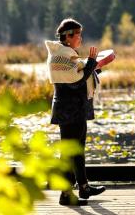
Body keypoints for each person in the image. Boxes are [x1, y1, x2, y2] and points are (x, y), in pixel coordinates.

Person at [45, 18, 106, 206]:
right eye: (78, 34)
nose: (80, 37)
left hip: (77, 108)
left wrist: (94, 67)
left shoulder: (69, 54)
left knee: (78, 150)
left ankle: (84, 187)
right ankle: (65, 194)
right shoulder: (60, 56)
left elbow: (79, 75)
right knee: (69, 153)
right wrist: (91, 64)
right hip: (68, 110)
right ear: (68, 36)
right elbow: (76, 81)